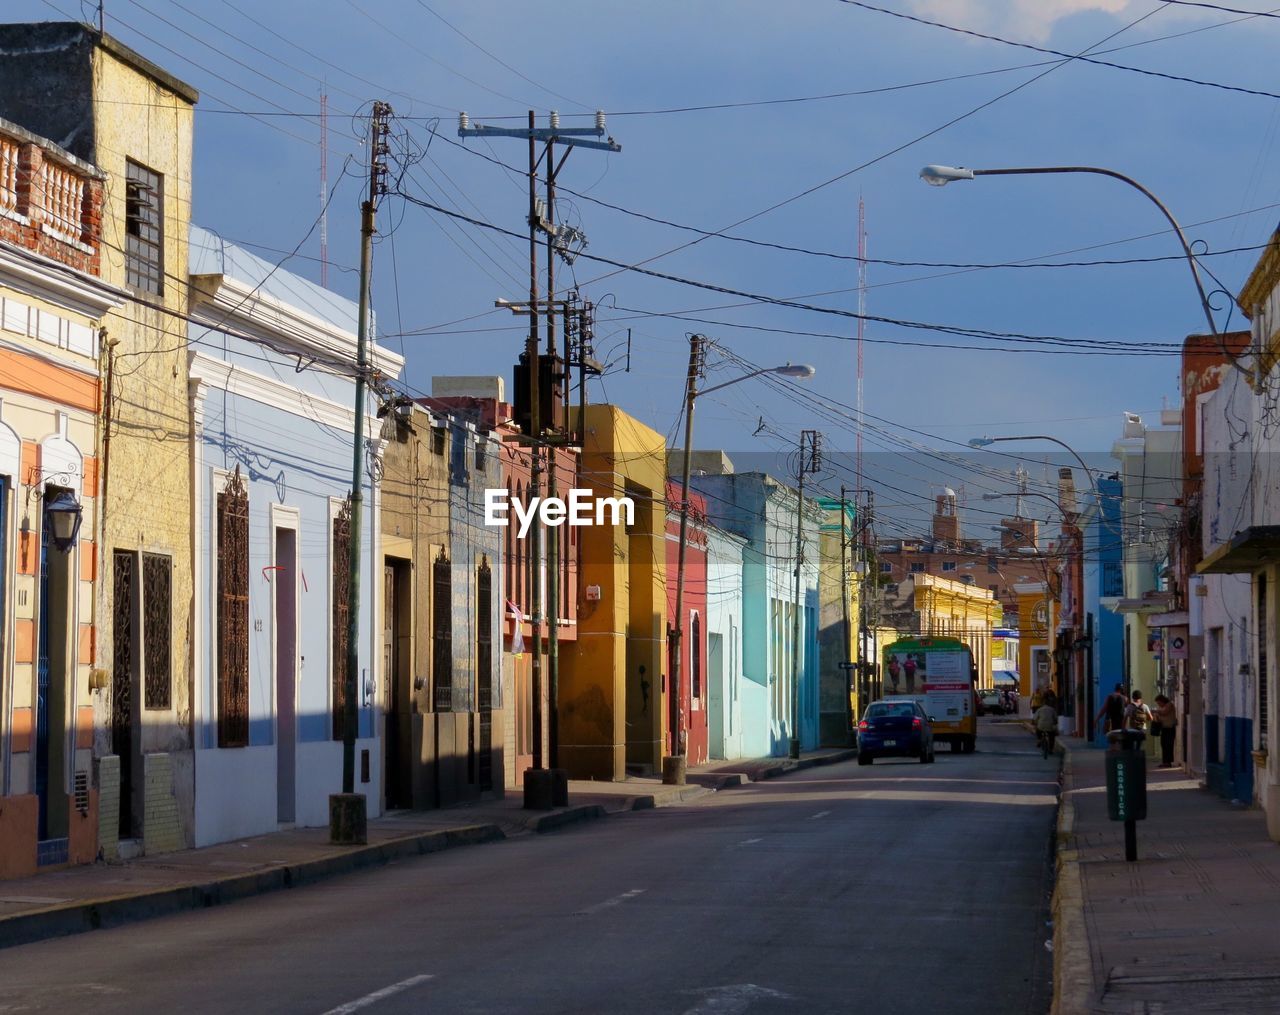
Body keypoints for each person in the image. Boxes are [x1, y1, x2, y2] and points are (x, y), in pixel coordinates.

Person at [1153, 693, 1178, 767]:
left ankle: (1168, 762)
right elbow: (1160, 717)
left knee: (1168, 745)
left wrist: (1156, 711)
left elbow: (1164, 713)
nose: (1158, 704)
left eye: (1159, 703)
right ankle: (1165, 761)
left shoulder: (1169, 705)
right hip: (1164, 728)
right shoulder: (1161, 708)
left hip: (1170, 728)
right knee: (1164, 745)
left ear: (1162, 701)